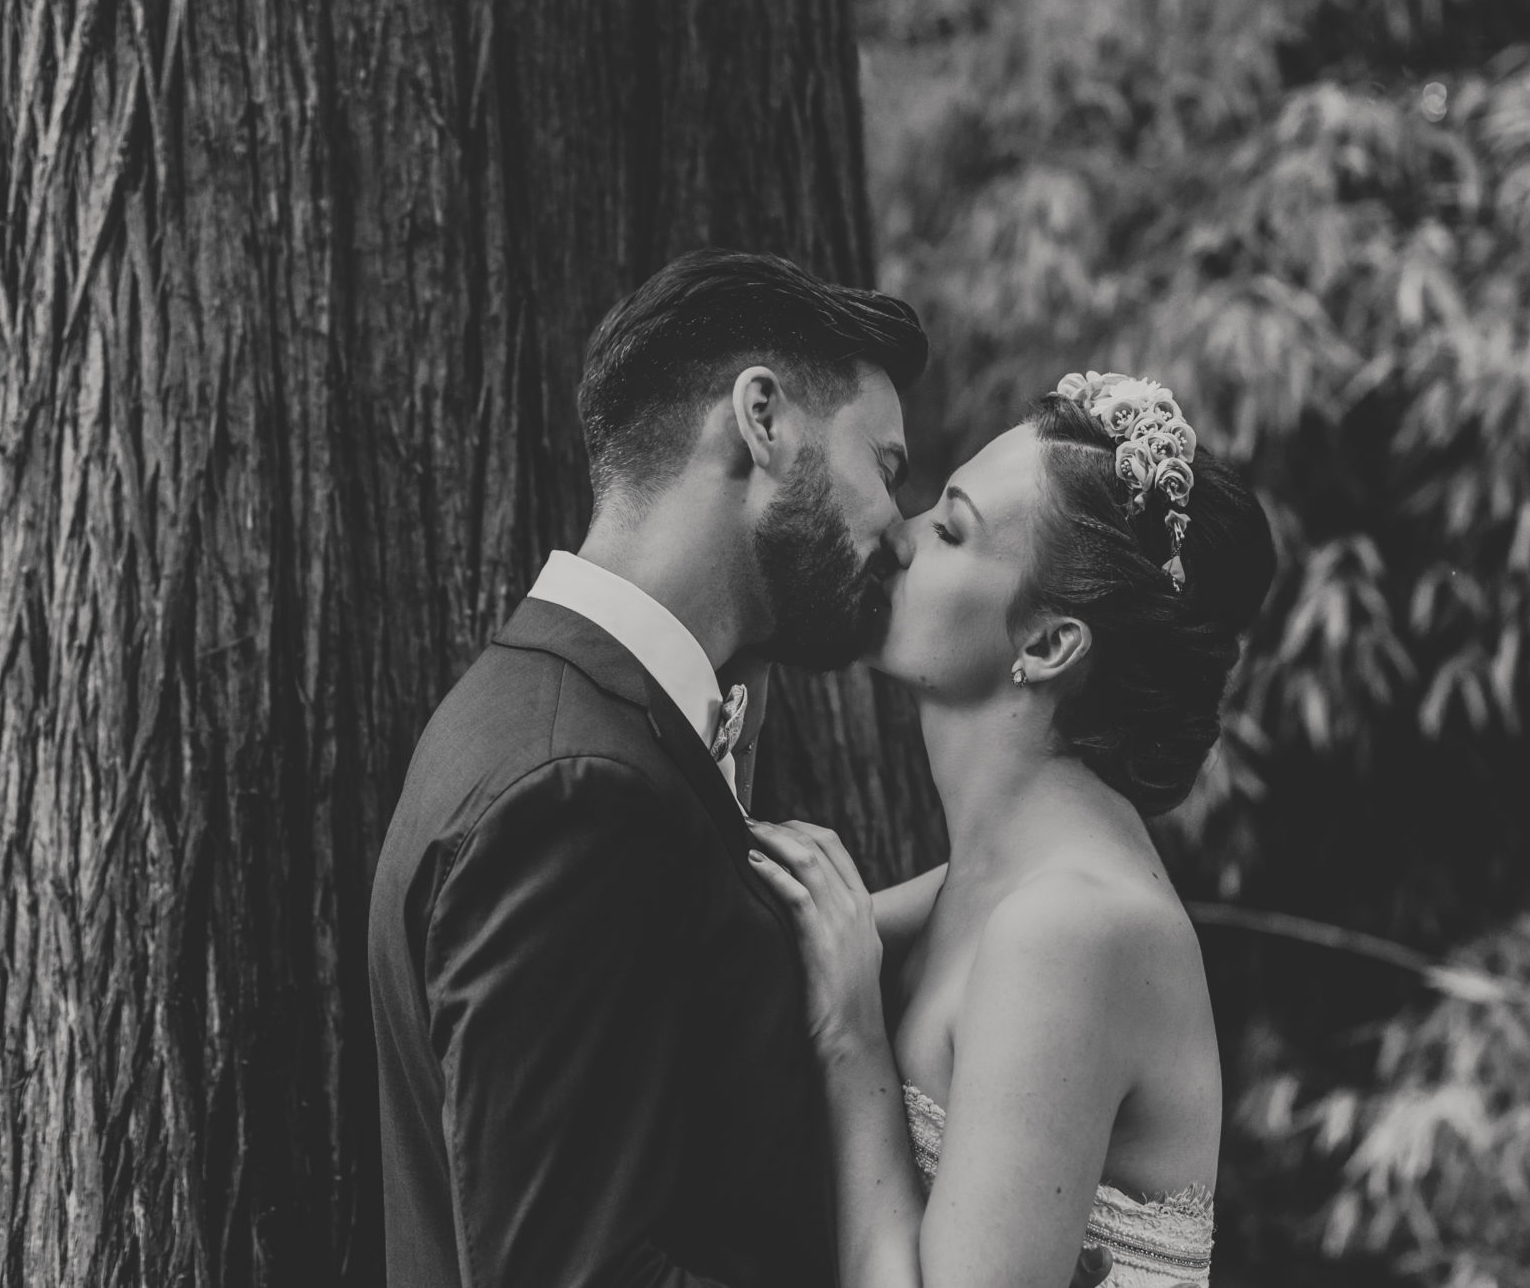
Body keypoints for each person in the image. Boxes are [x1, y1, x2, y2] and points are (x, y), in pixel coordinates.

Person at [366, 249, 1115, 1288]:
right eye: (884, 470)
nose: (894, 540)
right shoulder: (570, 791)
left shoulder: (578, 727)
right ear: (761, 420)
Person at [747, 371, 1277, 1288]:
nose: (896, 538)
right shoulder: (979, 890)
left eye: (949, 530)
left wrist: (854, 1045)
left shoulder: (1072, 931)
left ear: (1045, 644)